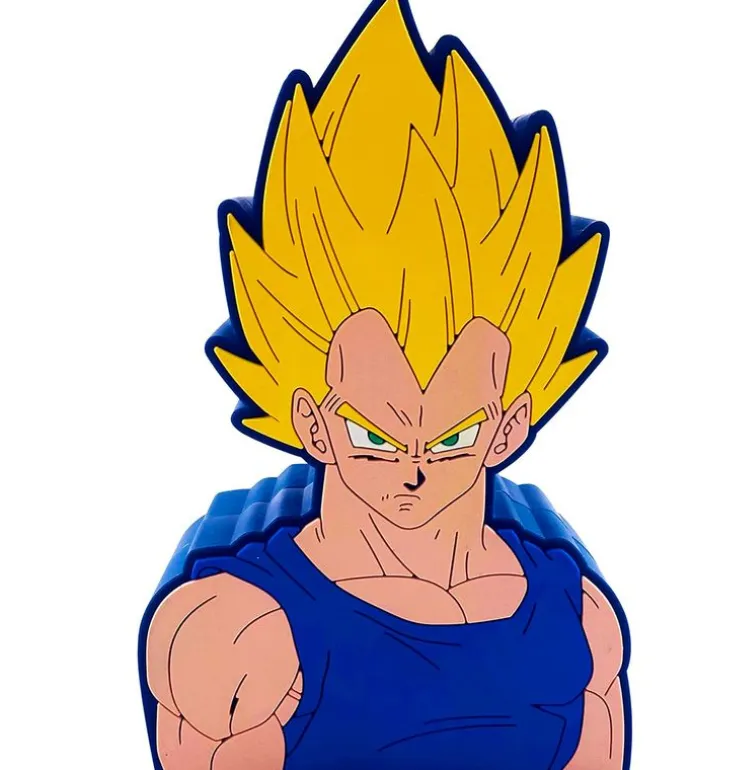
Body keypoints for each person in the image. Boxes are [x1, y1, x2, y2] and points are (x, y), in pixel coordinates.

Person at [141, 2, 630, 767]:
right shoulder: (238, 638)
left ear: (510, 427)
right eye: (373, 433)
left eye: (453, 435)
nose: (414, 468)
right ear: (312, 422)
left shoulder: (579, 621)